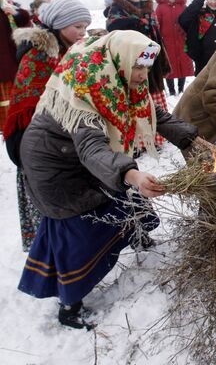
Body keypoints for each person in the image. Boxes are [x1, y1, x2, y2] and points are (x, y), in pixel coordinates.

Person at [17, 30, 204, 329]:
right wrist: (131, 173)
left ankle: (139, 235)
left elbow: (153, 113)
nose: (143, 76)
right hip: (56, 166)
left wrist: (191, 139)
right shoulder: (88, 88)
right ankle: (70, 305)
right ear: (120, 60)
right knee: (83, 227)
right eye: (138, 67)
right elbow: (92, 148)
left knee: (125, 193)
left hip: (82, 157)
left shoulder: (118, 78)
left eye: (147, 67)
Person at [3, 0, 91, 251]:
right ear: (60, 25)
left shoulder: (67, 50)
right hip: (35, 141)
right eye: (77, 27)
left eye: (85, 27)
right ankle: (51, 250)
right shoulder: (40, 57)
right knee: (52, 202)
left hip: (58, 137)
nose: (82, 33)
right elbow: (31, 104)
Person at [107, 0, 171, 150]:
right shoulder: (117, 9)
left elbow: (157, 35)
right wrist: (135, 22)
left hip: (150, 53)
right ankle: (136, 142)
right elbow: (113, 28)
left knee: (152, 95)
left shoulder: (149, 8)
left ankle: (155, 139)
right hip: (130, 57)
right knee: (135, 97)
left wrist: (162, 60)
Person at [0, 0, 31, 132]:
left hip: (9, 64)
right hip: (8, 64)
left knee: (8, 100)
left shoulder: (9, 11)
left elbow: (25, 22)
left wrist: (14, 12)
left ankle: (8, 125)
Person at [156, 0, 194, 96]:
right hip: (167, 42)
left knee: (183, 64)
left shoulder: (183, 6)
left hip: (182, 41)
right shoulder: (160, 7)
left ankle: (181, 88)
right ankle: (171, 91)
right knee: (169, 66)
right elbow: (157, 23)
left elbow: (189, 21)